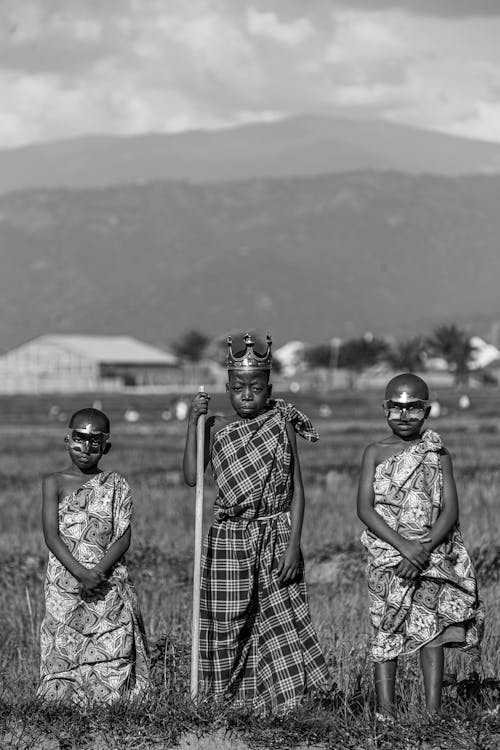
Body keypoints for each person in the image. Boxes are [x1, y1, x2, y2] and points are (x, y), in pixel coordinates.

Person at [183, 333, 329, 715]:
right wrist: (193, 424)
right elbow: (192, 476)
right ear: (227, 388)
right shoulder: (216, 427)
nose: (247, 395)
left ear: (269, 389)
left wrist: (294, 544)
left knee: (279, 619)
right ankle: (218, 703)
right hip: (229, 539)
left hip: (277, 533)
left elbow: (297, 488)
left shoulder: (281, 424)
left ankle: (284, 704)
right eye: (237, 388)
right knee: (227, 622)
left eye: (256, 388)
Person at [357, 374, 482, 720]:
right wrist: (403, 547)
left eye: (413, 408)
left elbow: (450, 510)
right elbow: (365, 508)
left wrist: (422, 550)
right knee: (387, 628)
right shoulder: (374, 453)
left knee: (431, 630)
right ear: (385, 410)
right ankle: (386, 713)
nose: (404, 416)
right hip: (387, 556)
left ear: (426, 411)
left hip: (431, 555)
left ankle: (432, 712)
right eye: (396, 408)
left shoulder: (438, 453)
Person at [38, 408, 149, 705]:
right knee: (64, 643)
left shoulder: (117, 485)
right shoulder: (54, 482)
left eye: (94, 442)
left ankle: (109, 703)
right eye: (79, 439)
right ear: (66, 440)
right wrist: (80, 573)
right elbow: (51, 535)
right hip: (65, 582)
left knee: (110, 643)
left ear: (106, 447)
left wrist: (98, 571)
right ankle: (60, 704)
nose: (86, 449)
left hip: (106, 582)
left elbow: (123, 536)